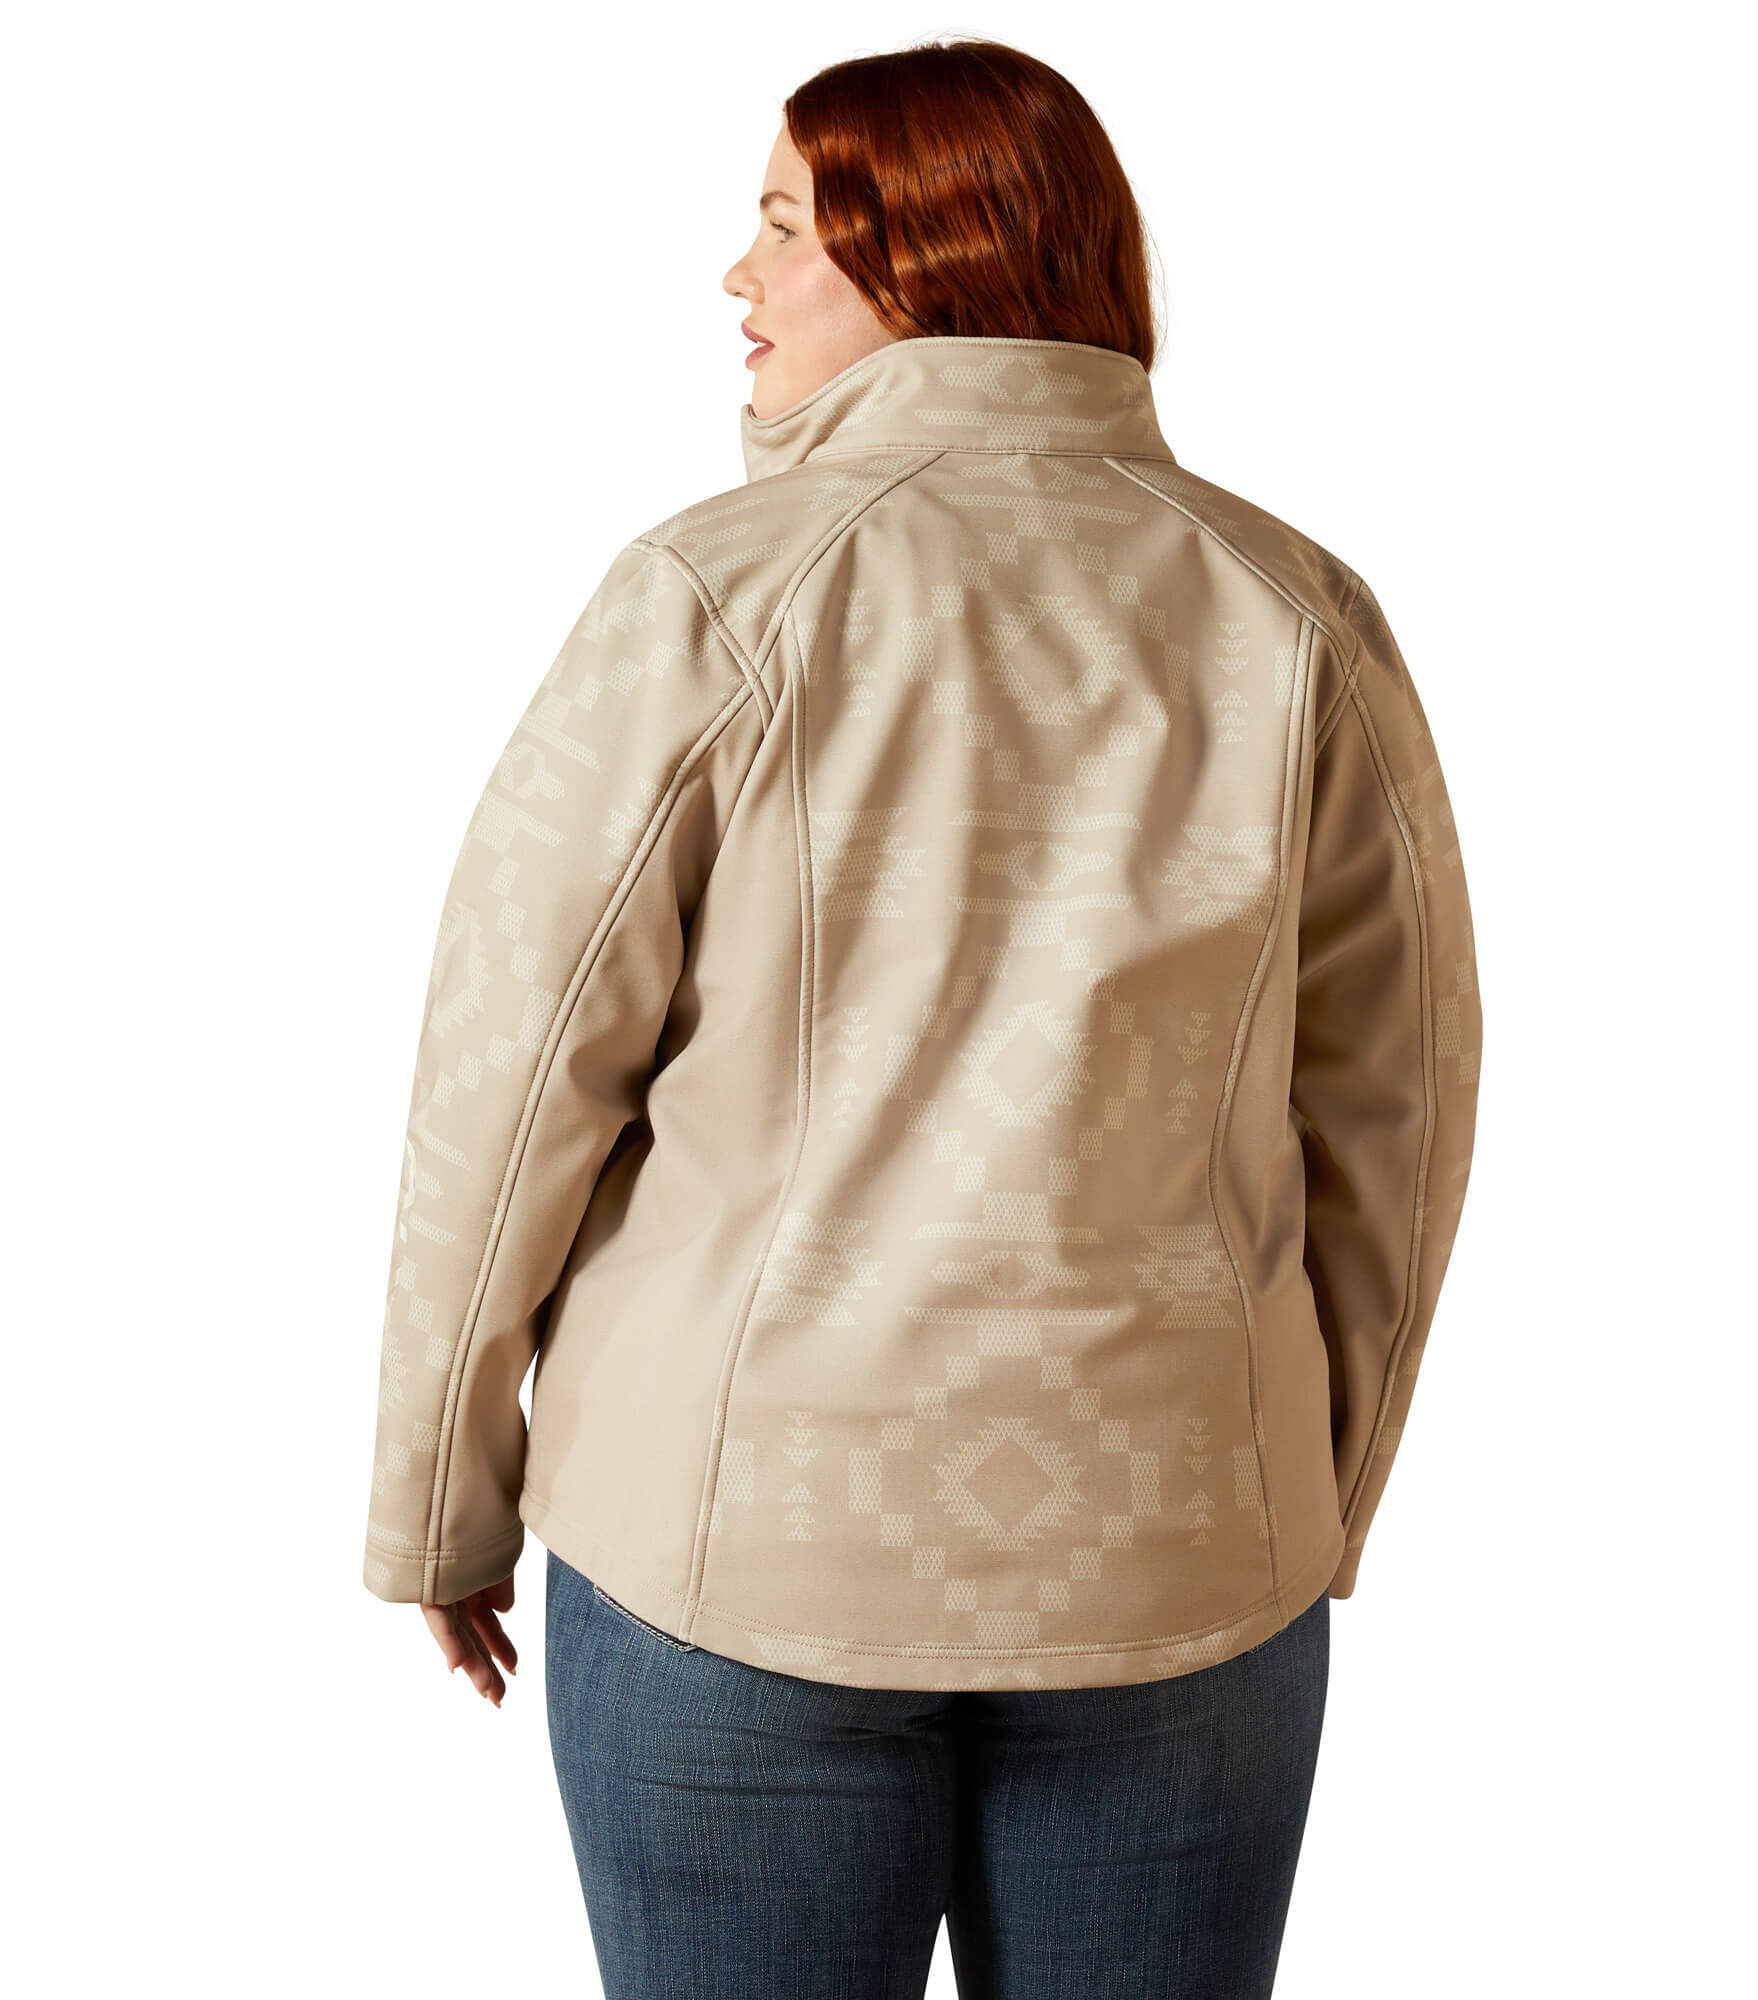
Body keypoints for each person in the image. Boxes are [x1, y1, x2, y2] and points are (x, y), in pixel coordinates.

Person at [360, 35, 1481, 2000]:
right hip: (1179, 1554)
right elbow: (1401, 1108)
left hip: (734, 1553)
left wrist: (434, 1501)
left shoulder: (714, 595)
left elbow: (514, 1081)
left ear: (928, 255)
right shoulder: (1295, 610)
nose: (737, 276)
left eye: (785, 227)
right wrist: (1297, 1503)